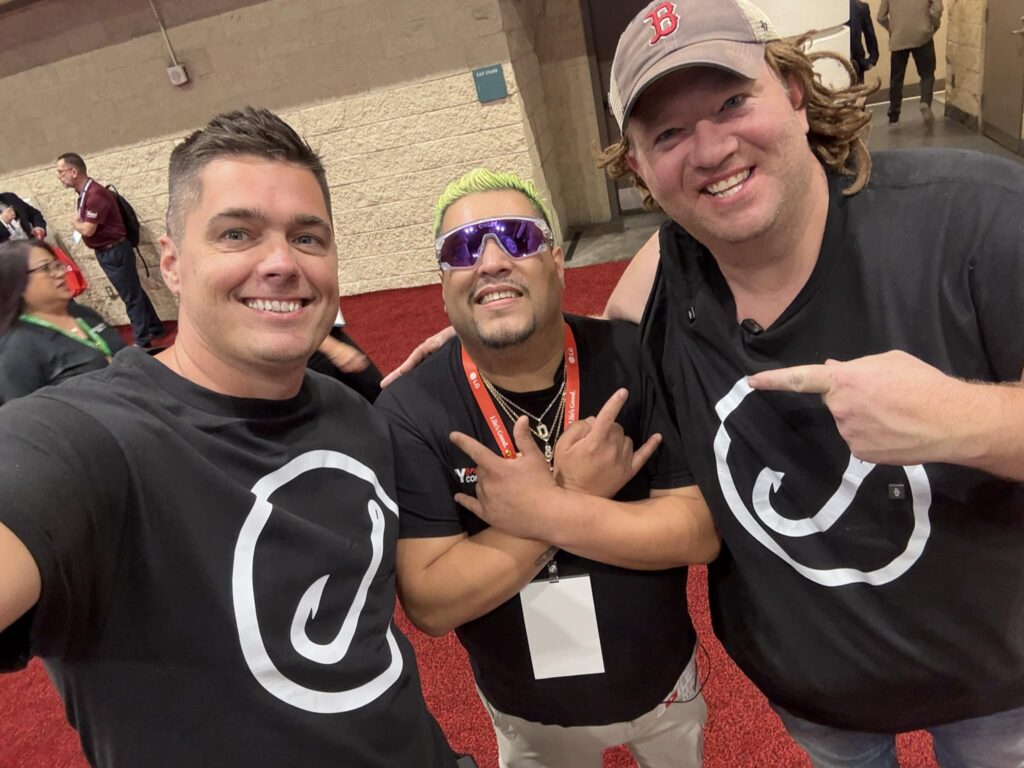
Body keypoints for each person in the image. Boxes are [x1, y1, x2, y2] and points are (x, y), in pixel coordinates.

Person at [460, 0, 1024, 765]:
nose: (711, 147)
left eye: (732, 101)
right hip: (820, 703)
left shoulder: (976, 219)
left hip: (1002, 688)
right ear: (640, 169)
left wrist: (965, 421)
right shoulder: (661, 279)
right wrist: (494, 334)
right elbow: (584, 347)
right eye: (668, 133)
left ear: (791, 91)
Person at [0, 107, 457, 767]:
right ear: (173, 264)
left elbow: (443, 522)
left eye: (308, 237)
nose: (280, 263)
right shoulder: (84, 441)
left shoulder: (351, 414)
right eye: (238, 233)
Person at [376, 169, 717, 768]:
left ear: (557, 261)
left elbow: (698, 531)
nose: (490, 261)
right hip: (523, 708)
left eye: (515, 237)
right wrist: (573, 494)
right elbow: (430, 602)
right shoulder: (410, 409)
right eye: (462, 248)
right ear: (443, 282)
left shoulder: (633, 357)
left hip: (661, 681)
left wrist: (549, 508)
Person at [55, 152, 166, 347]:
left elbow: (88, 229)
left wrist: (75, 223)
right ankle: (155, 327)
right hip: (106, 252)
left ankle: (142, 340)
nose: (59, 176)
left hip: (114, 251)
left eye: (60, 171)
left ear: (74, 171)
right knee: (133, 291)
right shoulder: (83, 194)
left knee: (130, 296)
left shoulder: (95, 194)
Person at [0, 239, 125, 405]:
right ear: (18, 284)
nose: (60, 273)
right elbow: (25, 419)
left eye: (57, 265)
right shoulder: (17, 347)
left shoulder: (82, 314)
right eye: (45, 268)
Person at [878, 0, 943, 126]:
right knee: (927, 74)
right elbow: (938, 8)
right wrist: (933, 24)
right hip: (922, 35)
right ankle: (925, 102)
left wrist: (892, 29)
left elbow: (881, 16)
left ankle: (894, 114)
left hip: (898, 37)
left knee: (896, 78)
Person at [849, 0, 880, 84]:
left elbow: (870, 35)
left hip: (856, 64)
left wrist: (872, 60)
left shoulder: (860, 8)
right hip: (835, 63)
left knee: (858, 94)